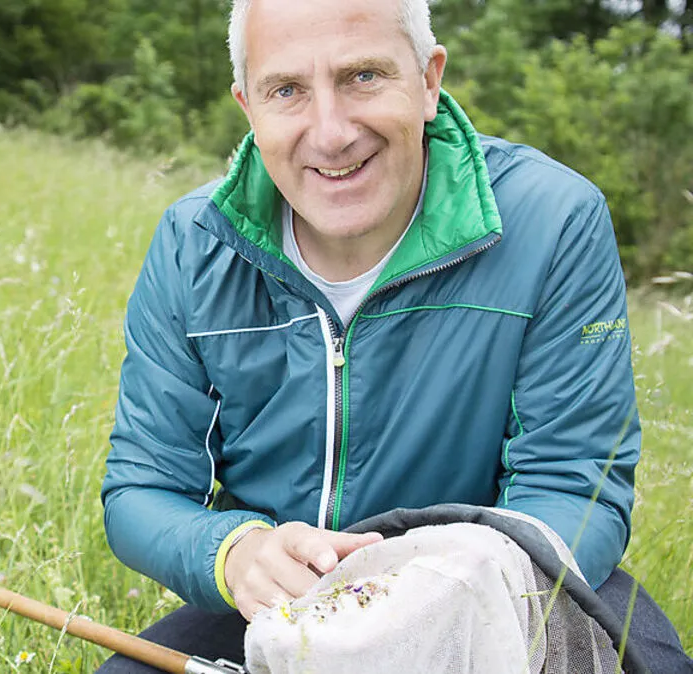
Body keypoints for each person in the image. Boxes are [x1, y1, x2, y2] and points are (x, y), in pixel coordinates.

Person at [99, 0, 693, 671]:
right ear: (248, 107)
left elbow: (573, 486)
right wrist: (233, 551)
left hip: (498, 584)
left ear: (429, 80)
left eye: (363, 77)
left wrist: (432, 599)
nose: (330, 133)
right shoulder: (193, 244)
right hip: (286, 607)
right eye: (287, 90)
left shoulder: (554, 220)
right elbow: (141, 490)